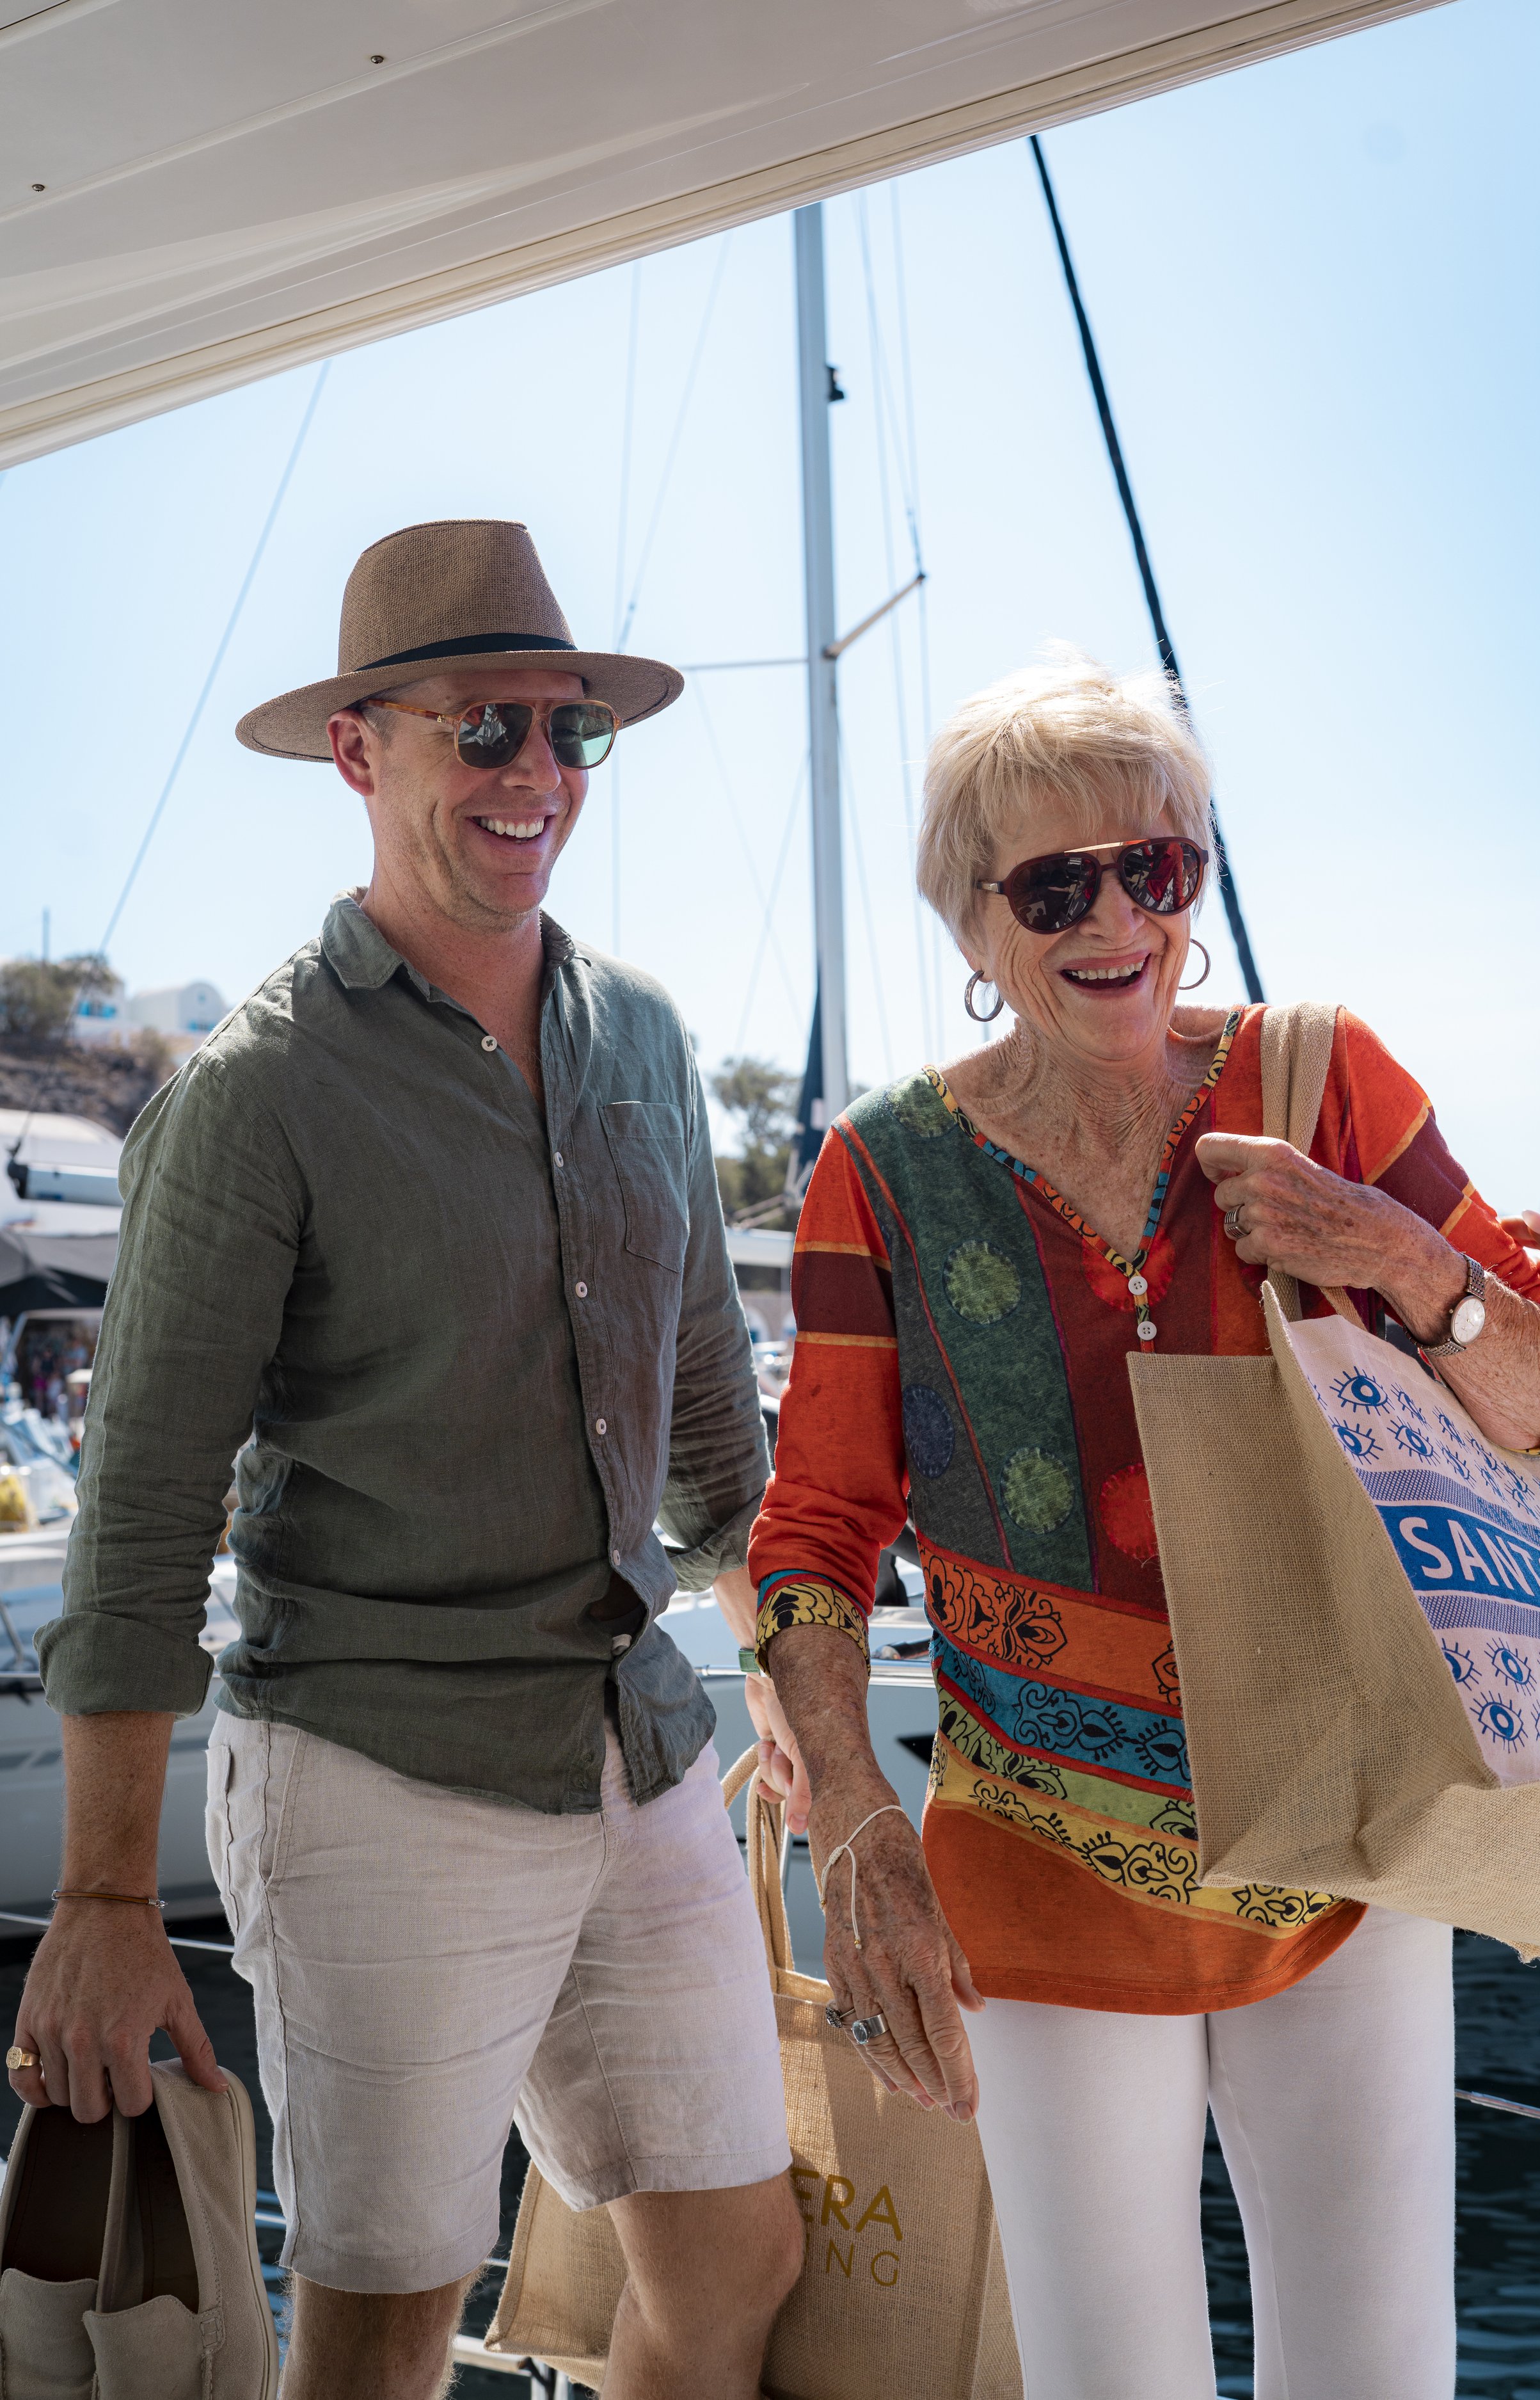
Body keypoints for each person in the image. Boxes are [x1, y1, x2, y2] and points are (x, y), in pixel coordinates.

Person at [745, 646, 1540, 2400]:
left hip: (1349, 1848)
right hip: (1037, 1869)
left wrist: (1411, 1269)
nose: (1117, 913)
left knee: (1377, 2379)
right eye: (1056, 882)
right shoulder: (880, 1170)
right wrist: (854, 1825)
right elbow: (815, 1532)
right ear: (972, 924)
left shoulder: (1325, 1081)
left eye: (1158, 864)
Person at [10, 520, 801, 2400]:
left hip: (633, 1742)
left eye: (563, 734)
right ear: (363, 751)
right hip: (375, 1765)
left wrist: (816, 1716)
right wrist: (110, 1901)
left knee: (736, 2264)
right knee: (377, 2335)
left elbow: (710, 1436)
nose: (534, 776)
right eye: (483, 732)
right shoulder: (258, 1088)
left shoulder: (647, 1043)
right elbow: (134, 1525)